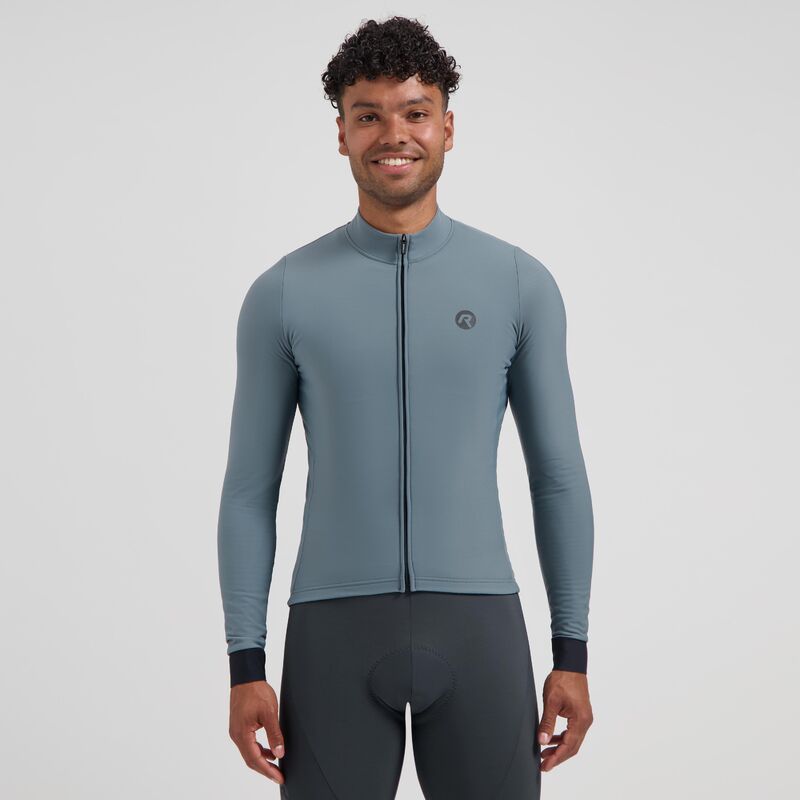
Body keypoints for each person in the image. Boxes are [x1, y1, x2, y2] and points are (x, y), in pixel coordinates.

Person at [217, 16, 595, 798]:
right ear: (342, 133)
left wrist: (573, 653)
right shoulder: (283, 294)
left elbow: (557, 476)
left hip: (480, 633)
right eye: (369, 115)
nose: (394, 135)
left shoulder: (518, 285)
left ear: (447, 127)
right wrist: (245, 664)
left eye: (415, 112)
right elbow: (250, 490)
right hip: (332, 635)